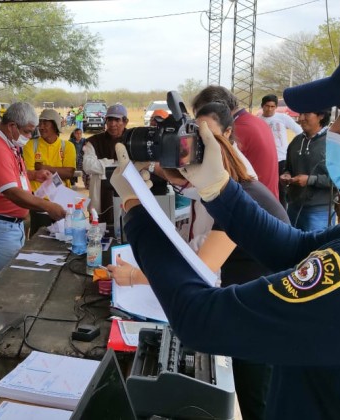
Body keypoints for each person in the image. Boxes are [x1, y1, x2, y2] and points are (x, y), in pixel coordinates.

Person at [110, 8, 340, 418]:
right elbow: (295, 249)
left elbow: (200, 319)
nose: (334, 131)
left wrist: (135, 208)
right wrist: (218, 189)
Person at [108, 102, 288, 420]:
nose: (181, 189)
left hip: (260, 330)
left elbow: (199, 270)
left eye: (180, 183)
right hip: (247, 314)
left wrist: (133, 205)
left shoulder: (245, 200)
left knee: (253, 403)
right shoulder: (232, 191)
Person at [0, 102, 66, 285]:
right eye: (28, 131)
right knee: (1, 286)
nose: (30, 137)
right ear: (12, 126)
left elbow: (10, 175)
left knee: (10, 281)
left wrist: (33, 174)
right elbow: (12, 192)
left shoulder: (7, 141)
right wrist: (49, 207)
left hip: (7, 225)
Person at [192, 86, 280, 201]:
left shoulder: (236, 130)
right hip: (265, 201)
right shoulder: (255, 121)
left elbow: (212, 179)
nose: (202, 129)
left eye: (204, 118)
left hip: (253, 206)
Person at [22, 108, 76, 234]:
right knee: (39, 240)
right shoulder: (30, 145)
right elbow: (28, 174)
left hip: (62, 201)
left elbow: (69, 173)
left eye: (45, 123)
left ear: (55, 125)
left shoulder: (67, 146)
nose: (41, 127)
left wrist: (42, 167)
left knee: (64, 238)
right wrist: (57, 171)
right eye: (40, 123)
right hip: (38, 204)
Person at [280, 109, 334, 231]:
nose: (300, 119)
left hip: (319, 211)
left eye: (306, 114)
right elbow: (287, 168)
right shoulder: (296, 141)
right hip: (293, 207)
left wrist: (310, 180)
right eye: (300, 114)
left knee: (316, 249)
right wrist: (286, 175)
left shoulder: (333, 143)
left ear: (321, 115)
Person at [259, 94, 303, 207]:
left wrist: (294, 148)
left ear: (276, 107)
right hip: (265, 161)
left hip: (281, 159)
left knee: (281, 189)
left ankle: (282, 216)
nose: (269, 109)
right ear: (262, 106)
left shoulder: (283, 118)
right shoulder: (258, 120)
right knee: (265, 188)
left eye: (272, 106)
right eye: (267, 106)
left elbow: (299, 132)